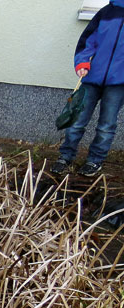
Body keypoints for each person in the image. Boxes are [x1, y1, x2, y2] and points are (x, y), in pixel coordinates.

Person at [51, 0, 124, 178]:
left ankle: (95, 160)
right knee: (76, 121)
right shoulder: (107, 12)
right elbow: (87, 40)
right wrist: (82, 62)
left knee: (106, 126)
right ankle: (65, 156)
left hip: (119, 83)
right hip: (92, 78)